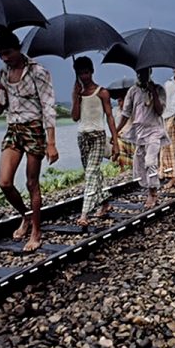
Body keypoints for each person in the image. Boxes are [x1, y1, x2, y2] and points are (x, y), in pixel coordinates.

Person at [0, 30, 59, 252]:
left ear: (18, 48)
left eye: (7, 52)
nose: (4, 58)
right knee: (4, 182)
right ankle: (27, 216)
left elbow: (49, 108)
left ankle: (36, 232)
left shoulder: (37, 72)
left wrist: (51, 142)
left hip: (33, 129)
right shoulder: (2, 74)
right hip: (13, 129)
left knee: (32, 183)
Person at [71, 56, 120, 227]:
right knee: (93, 172)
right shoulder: (78, 92)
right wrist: (76, 97)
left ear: (92, 71)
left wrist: (115, 142)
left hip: (98, 136)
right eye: (80, 73)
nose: (84, 76)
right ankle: (105, 203)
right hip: (82, 136)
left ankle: (84, 214)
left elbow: (110, 117)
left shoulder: (102, 92)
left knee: (91, 172)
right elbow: (75, 117)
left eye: (86, 72)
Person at [116, 67, 168, 209]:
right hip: (139, 133)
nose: (142, 75)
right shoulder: (133, 91)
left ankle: (153, 193)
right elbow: (126, 113)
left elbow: (160, 110)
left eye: (145, 72)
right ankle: (150, 188)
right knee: (140, 164)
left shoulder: (159, 89)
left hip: (154, 131)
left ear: (150, 72)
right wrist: (116, 131)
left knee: (151, 161)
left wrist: (153, 93)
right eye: (139, 72)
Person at [113, 95, 136, 172]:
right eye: (119, 101)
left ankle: (134, 164)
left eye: (122, 101)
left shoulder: (132, 111)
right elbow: (116, 127)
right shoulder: (116, 112)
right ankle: (123, 168)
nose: (120, 103)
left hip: (132, 140)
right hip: (121, 138)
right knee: (118, 144)